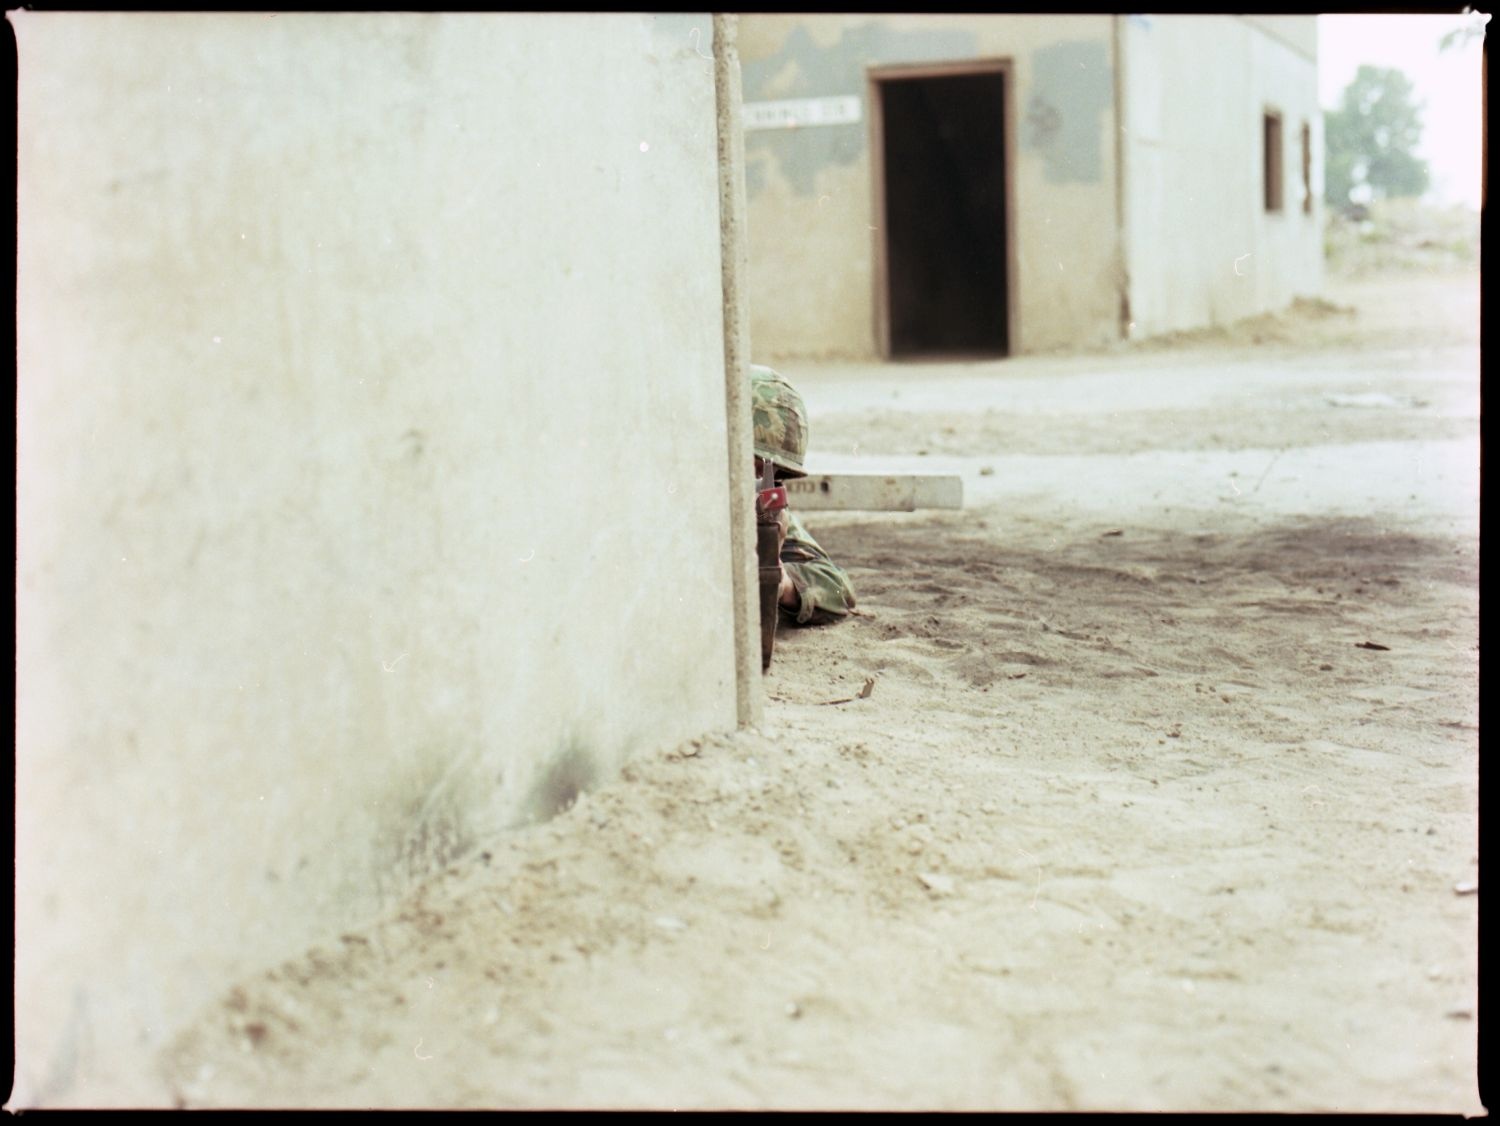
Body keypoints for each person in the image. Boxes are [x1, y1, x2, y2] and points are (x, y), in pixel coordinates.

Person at [750, 364, 857, 626]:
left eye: (769, 473)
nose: (759, 482)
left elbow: (836, 588)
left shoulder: (760, 502)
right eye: (751, 466)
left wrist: (782, 583)